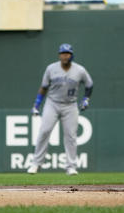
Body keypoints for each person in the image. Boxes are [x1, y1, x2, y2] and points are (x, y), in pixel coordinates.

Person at [27, 44, 93, 175]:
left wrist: (86, 99)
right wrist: (36, 104)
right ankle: (36, 164)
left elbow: (89, 85)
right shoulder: (51, 68)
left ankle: (71, 166)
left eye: (67, 53)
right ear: (59, 55)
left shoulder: (79, 70)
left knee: (71, 136)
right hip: (52, 103)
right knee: (44, 131)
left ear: (72, 55)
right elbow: (44, 87)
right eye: (62, 53)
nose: (64, 56)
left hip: (70, 105)